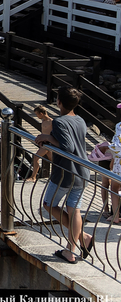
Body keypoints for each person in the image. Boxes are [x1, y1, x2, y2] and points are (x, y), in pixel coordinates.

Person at [35, 87, 94, 264]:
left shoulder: (59, 122)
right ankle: (72, 248)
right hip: (82, 171)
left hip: (65, 173)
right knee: (74, 209)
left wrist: (47, 137)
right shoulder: (80, 120)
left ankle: (81, 238)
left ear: (59, 102)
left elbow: (67, 147)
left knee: (48, 204)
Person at [26, 105, 53, 182]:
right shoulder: (43, 121)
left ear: (41, 113)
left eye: (37, 114)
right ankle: (59, 175)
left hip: (48, 144)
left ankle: (33, 177)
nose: (37, 116)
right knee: (53, 161)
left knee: (36, 157)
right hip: (44, 143)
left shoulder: (51, 122)